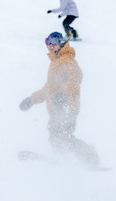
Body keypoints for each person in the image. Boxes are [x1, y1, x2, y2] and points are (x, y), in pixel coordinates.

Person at [19, 33, 100, 167]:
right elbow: (49, 89)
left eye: (54, 41)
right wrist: (32, 100)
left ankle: (88, 156)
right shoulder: (56, 63)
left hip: (67, 107)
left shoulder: (67, 60)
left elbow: (75, 78)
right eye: (47, 42)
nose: (50, 45)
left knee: (63, 138)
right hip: (56, 109)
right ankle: (62, 161)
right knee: (56, 137)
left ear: (61, 43)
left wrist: (64, 93)